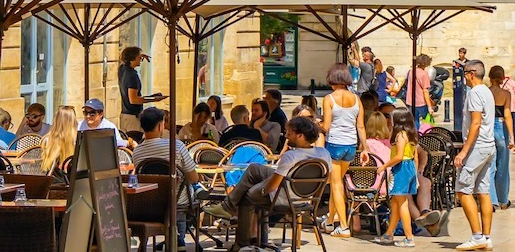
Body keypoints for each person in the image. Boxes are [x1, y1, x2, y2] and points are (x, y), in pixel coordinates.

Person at [202, 115, 330, 248]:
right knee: (254, 169)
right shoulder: (323, 153)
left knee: (246, 196)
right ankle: (230, 209)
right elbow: (325, 180)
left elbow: (272, 186)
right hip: (303, 197)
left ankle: (241, 244)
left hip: (283, 197)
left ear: (300, 136)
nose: (286, 136)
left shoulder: (290, 156)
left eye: (290, 133)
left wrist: (258, 190)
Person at [454, 61, 496, 252]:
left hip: (477, 148)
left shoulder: (475, 93)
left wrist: (464, 151)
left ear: (471, 74)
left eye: (464, 74)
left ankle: (477, 236)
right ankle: (486, 237)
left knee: (463, 190)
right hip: (489, 146)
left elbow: (476, 123)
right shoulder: (487, 91)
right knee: (483, 191)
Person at [320, 63, 364, 237]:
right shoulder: (356, 99)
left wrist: (317, 126)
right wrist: (365, 148)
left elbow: (327, 126)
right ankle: (330, 221)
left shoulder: (329, 99)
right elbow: (360, 126)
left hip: (335, 144)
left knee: (336, 185)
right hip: (351, 145)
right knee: (337, 184)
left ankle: (344, 226)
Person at [383, 109, 421, 246]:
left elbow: (398, 156)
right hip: (410, 166)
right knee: (395, 202)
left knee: (402, 203)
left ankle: (409, 237)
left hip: (401, 168)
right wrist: (415, 175)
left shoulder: (400, 135)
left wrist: (383, 166)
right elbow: (415, 156)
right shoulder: (411, 135)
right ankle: (389, 234)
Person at [136, 107, 197, 176]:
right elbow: (193, 178)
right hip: (174, 186)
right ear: (160, 126)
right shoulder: (176, 145)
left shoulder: (136, 152)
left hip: (149, 187)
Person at [487, 64, 515, 209]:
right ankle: (503, 200)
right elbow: (507, 116)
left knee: (490, 166)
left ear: (489, 77)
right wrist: (511, 137)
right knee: (503, 166)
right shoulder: (506, 94)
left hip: (487, 127)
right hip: (499, 127)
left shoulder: (485, 92)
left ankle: (492, 201)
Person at [119, 46, 162, 122]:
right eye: (139, 58)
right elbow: (134, 100)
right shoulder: (132, 75)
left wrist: (140, 55)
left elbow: (126, 59)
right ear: (133, 58)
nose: (141, 60)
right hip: (133, 116)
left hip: (125, 115)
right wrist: (153, 99)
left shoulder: (122, 69)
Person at [39, 105, 81, 174]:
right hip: (71, 179)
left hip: (50, 178)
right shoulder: (77, 139)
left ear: (56, 120)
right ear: (73, 121)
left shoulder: (46, 140)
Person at [449, 48, 473, 133]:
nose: (460, 55)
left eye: (462, 53)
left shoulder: (468, 62)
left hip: (466, 83)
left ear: (465, 54)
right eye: (459, 53)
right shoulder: (456, 62)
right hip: (458, 84)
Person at [407, 55, 434, 127]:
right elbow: (425, 91)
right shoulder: (424, 74)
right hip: (421, 102)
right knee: (428, 121)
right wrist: (429, 107)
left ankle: (416, 135)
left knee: (415, 121)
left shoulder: (411, 71)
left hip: (411, 101)